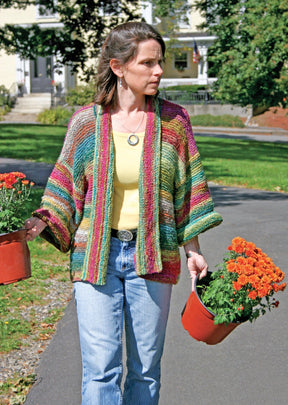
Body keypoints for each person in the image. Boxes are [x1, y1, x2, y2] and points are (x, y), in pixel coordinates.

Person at [25, 21, 222, 405]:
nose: (159, 71)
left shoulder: (173, 122)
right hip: (97, 255)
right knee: (101, 368)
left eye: (160, 62)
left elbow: (188, 188)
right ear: (118, 67)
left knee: (146, 370)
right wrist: (43, 218)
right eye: (148, 63)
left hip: (153, 256)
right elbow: (65, 183)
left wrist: (193, 248)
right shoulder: (87, 122)